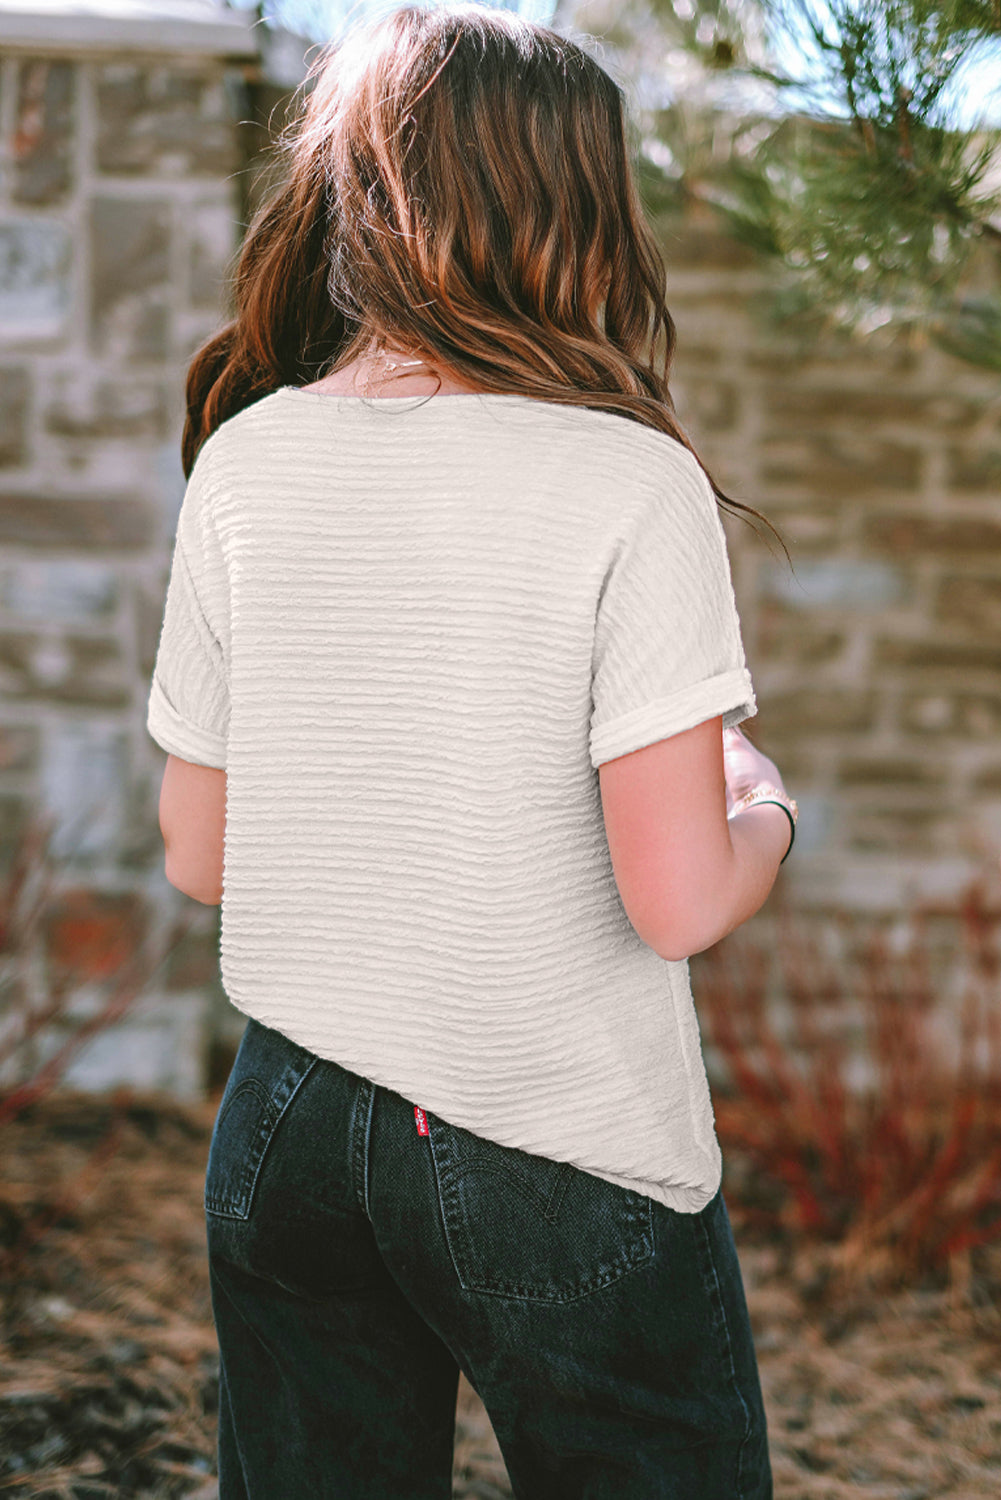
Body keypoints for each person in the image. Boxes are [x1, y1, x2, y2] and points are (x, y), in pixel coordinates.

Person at [146, 5, 798, 1497]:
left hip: (287, 1118)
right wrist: (764, 807)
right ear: (578, 208)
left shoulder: (245, 458)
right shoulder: (629, 481)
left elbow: (196, 859)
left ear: (349, 193)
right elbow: (680, 902)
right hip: (554, 1133)